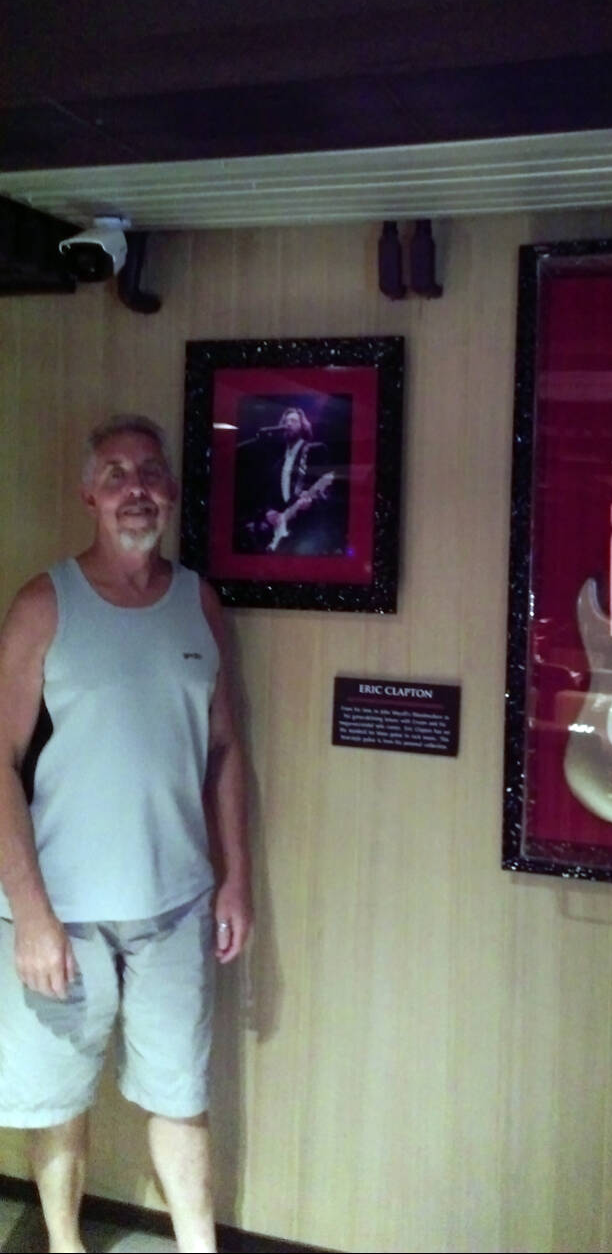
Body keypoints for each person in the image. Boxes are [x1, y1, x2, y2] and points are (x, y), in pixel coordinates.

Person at [0, 414, 252, 1254]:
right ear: (89, 496)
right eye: (115, 473)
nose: (135, 488)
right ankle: (64, 1244)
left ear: (171, 492)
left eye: (149, 472)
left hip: (176, 905)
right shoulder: (45, 603)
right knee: (56, 1098)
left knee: (181, 1094)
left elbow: (224, 749)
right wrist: (29, 913)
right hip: (61, 909)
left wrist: (236, 880)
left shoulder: (198, 603)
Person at [234, 404, 338, 555]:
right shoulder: (278, 464)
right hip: (286, 530)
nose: (288, 424)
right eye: (286, 421)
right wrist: (269, 512)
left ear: (303, 426)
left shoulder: (316, 450)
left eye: (294, 421)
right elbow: (269, 496)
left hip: (309, 528)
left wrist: (313, 502)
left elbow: (329, 488)